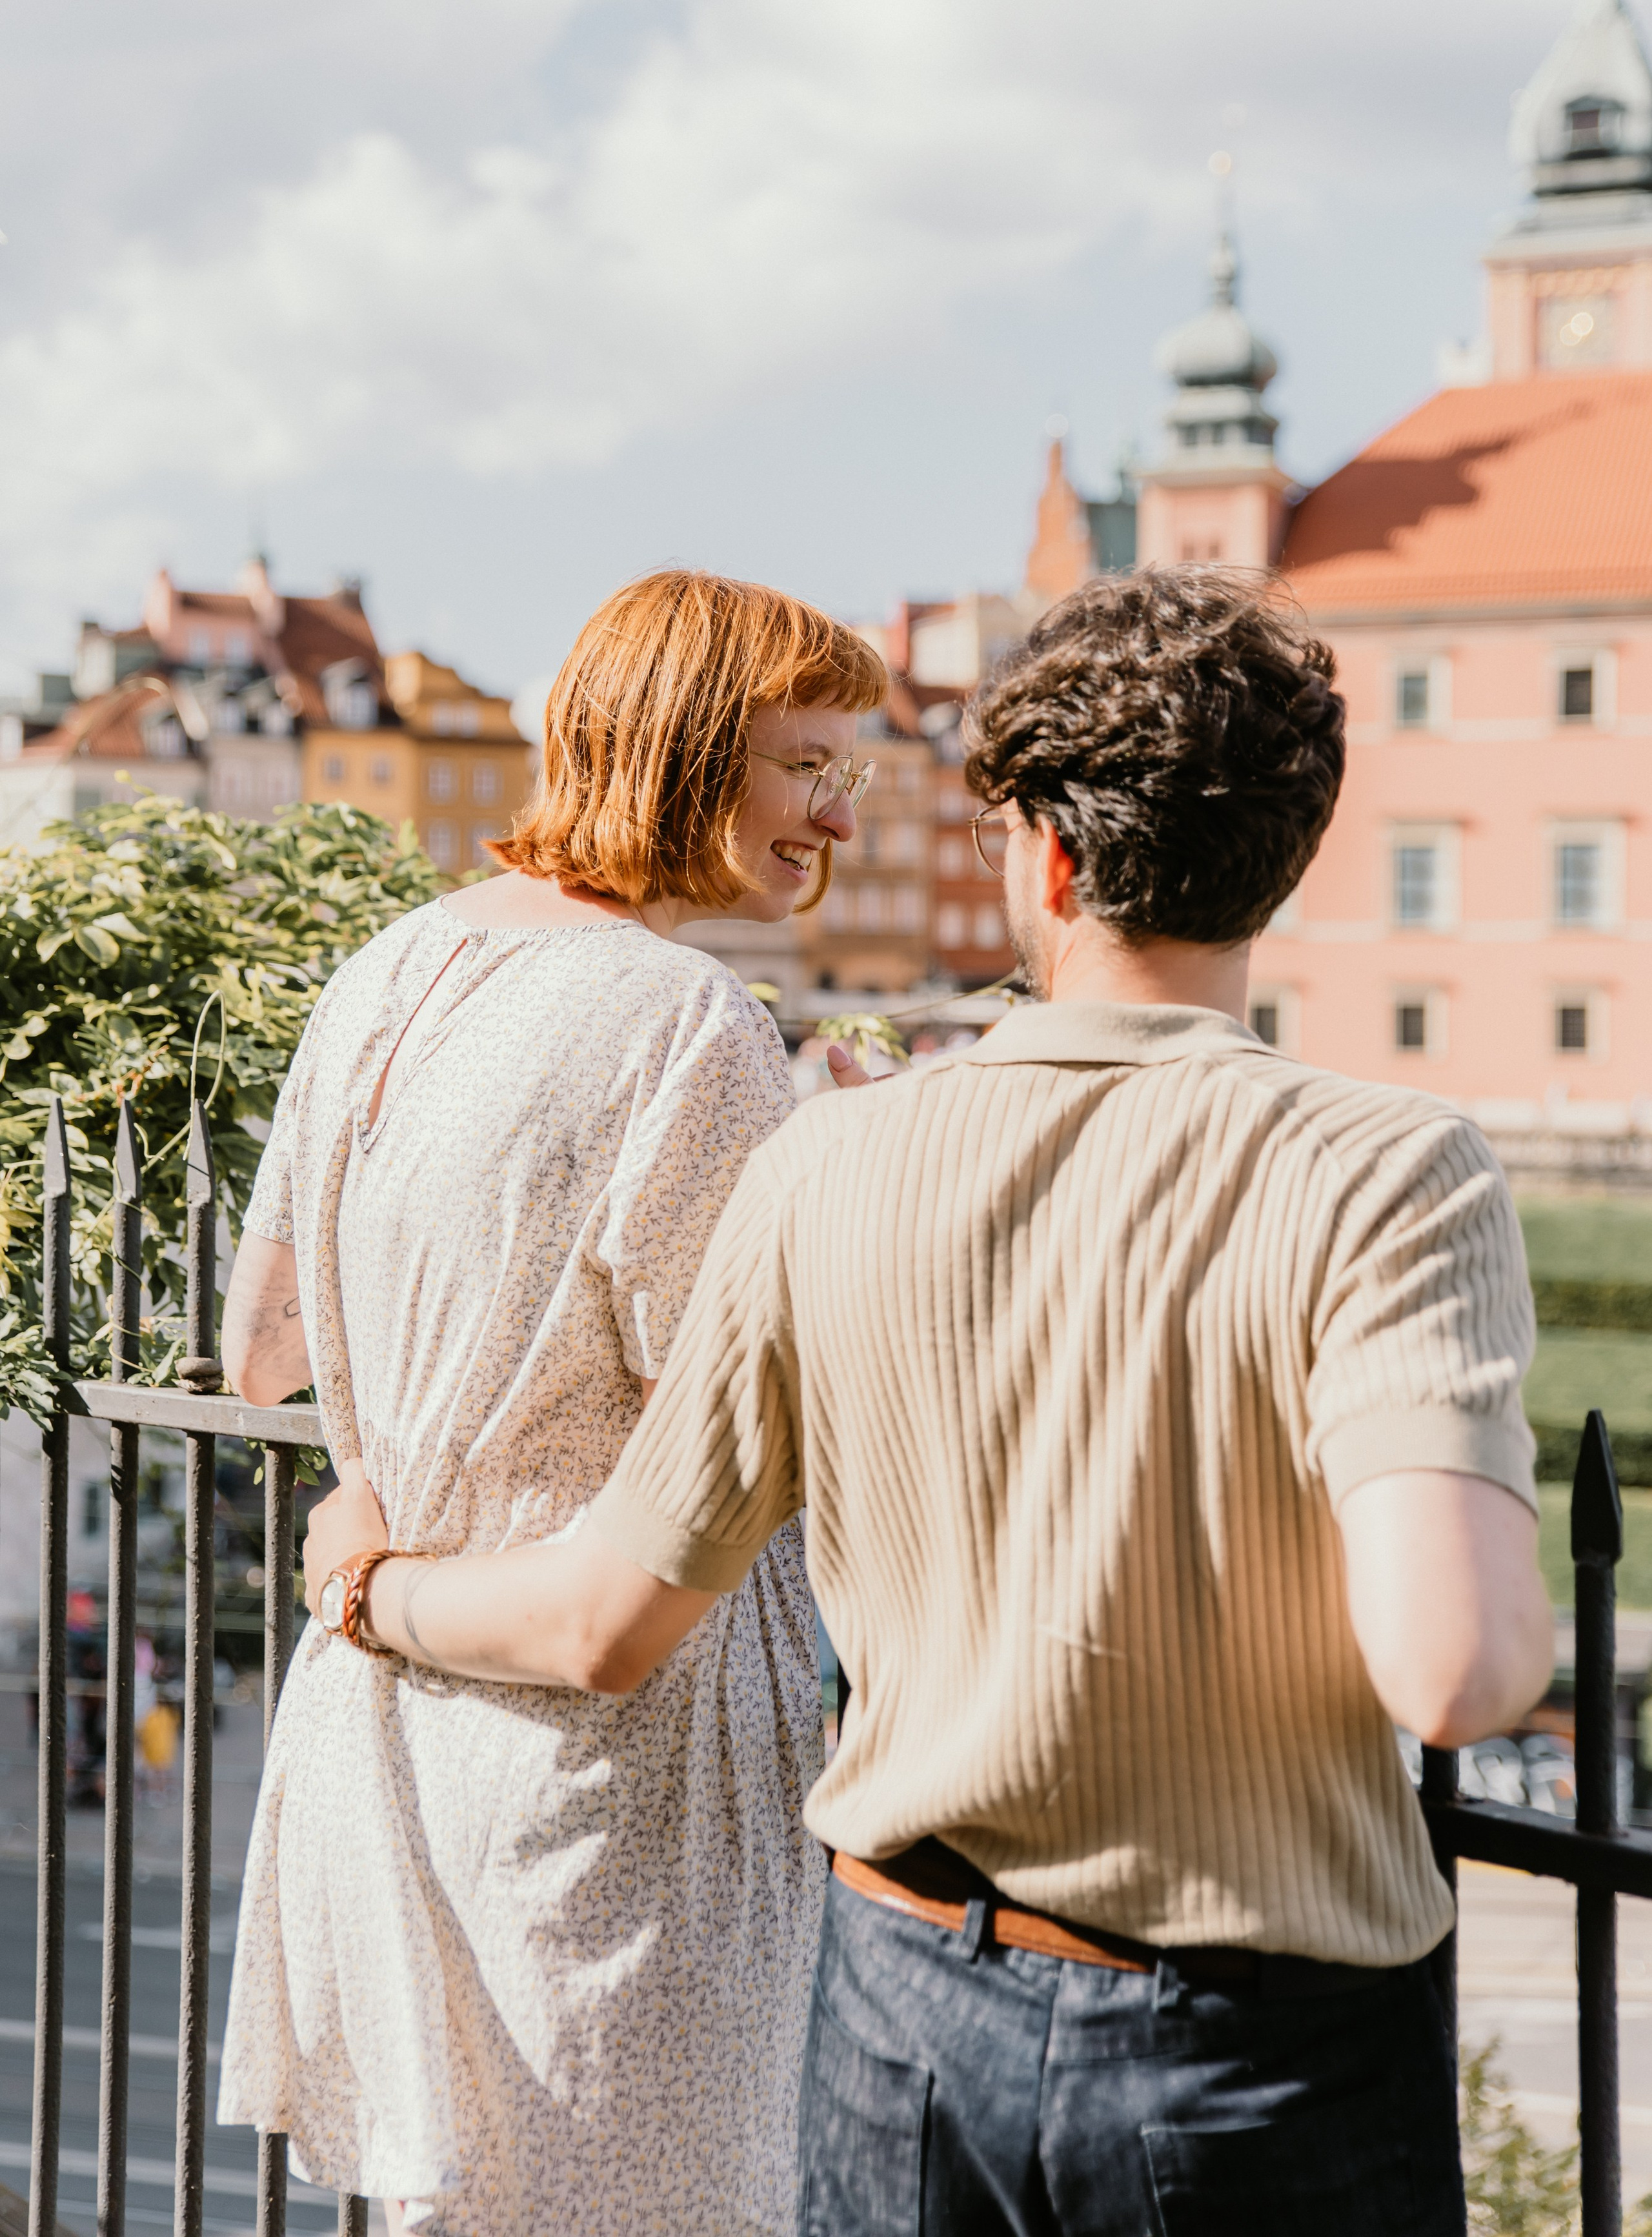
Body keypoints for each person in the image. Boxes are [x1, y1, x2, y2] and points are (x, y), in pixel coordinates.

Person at [308, 566, 1554, 2237]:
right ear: (1296, 853)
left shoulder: (830, 1157)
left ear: (1039, 853)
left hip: (906, 2005)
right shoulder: (1389, 1170)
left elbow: (609, 1607)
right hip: (1254, 2027)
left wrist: (371, 1586)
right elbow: (1459, 1668)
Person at [217, 569, 885, 2236]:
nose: (840, 819)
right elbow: (766, 1435)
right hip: (618, 1794)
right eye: (811, 766)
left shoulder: (385, 972)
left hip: (397, 1747)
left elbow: (258, 1352)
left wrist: (396, 1473)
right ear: (689, 750)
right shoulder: (688, 1023)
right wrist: (833, 1174)